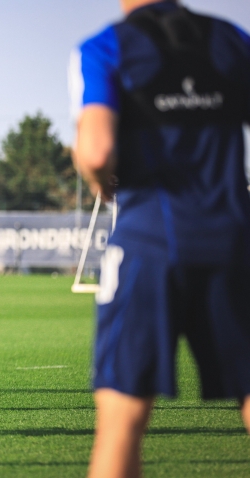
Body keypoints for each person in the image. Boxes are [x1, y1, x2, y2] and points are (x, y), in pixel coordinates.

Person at [70, 1, 250, 476]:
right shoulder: (232, 40)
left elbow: (96, 150)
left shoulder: (105, 47)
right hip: (234, 241)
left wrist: (96, 175)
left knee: (122, 420)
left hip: (149, 245)